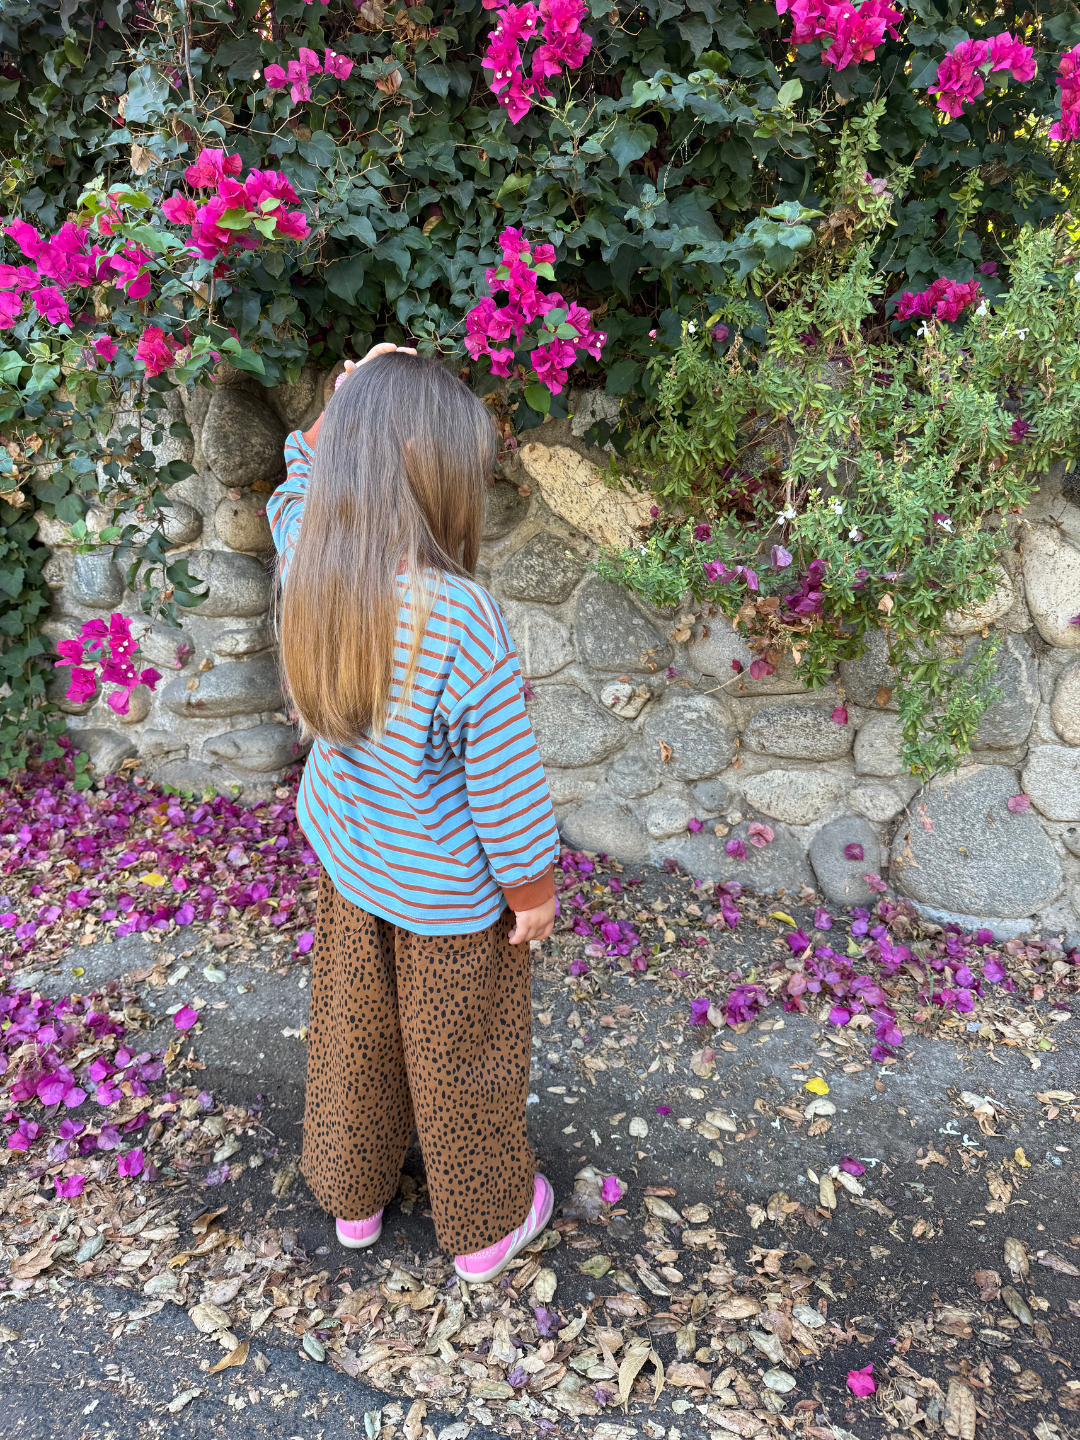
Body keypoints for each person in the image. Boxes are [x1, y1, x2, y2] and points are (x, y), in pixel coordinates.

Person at [268, 343, 559, 1283]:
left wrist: (339, 402)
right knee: (460, 1053)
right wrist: (534, 893)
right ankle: (483, 1229)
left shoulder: (305, 559)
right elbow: (505, 790)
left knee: (355, 1031)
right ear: (436, 479)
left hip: (352, 865)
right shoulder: (460, 619)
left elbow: (294, 482)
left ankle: (355, 1202)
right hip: (443, 896)